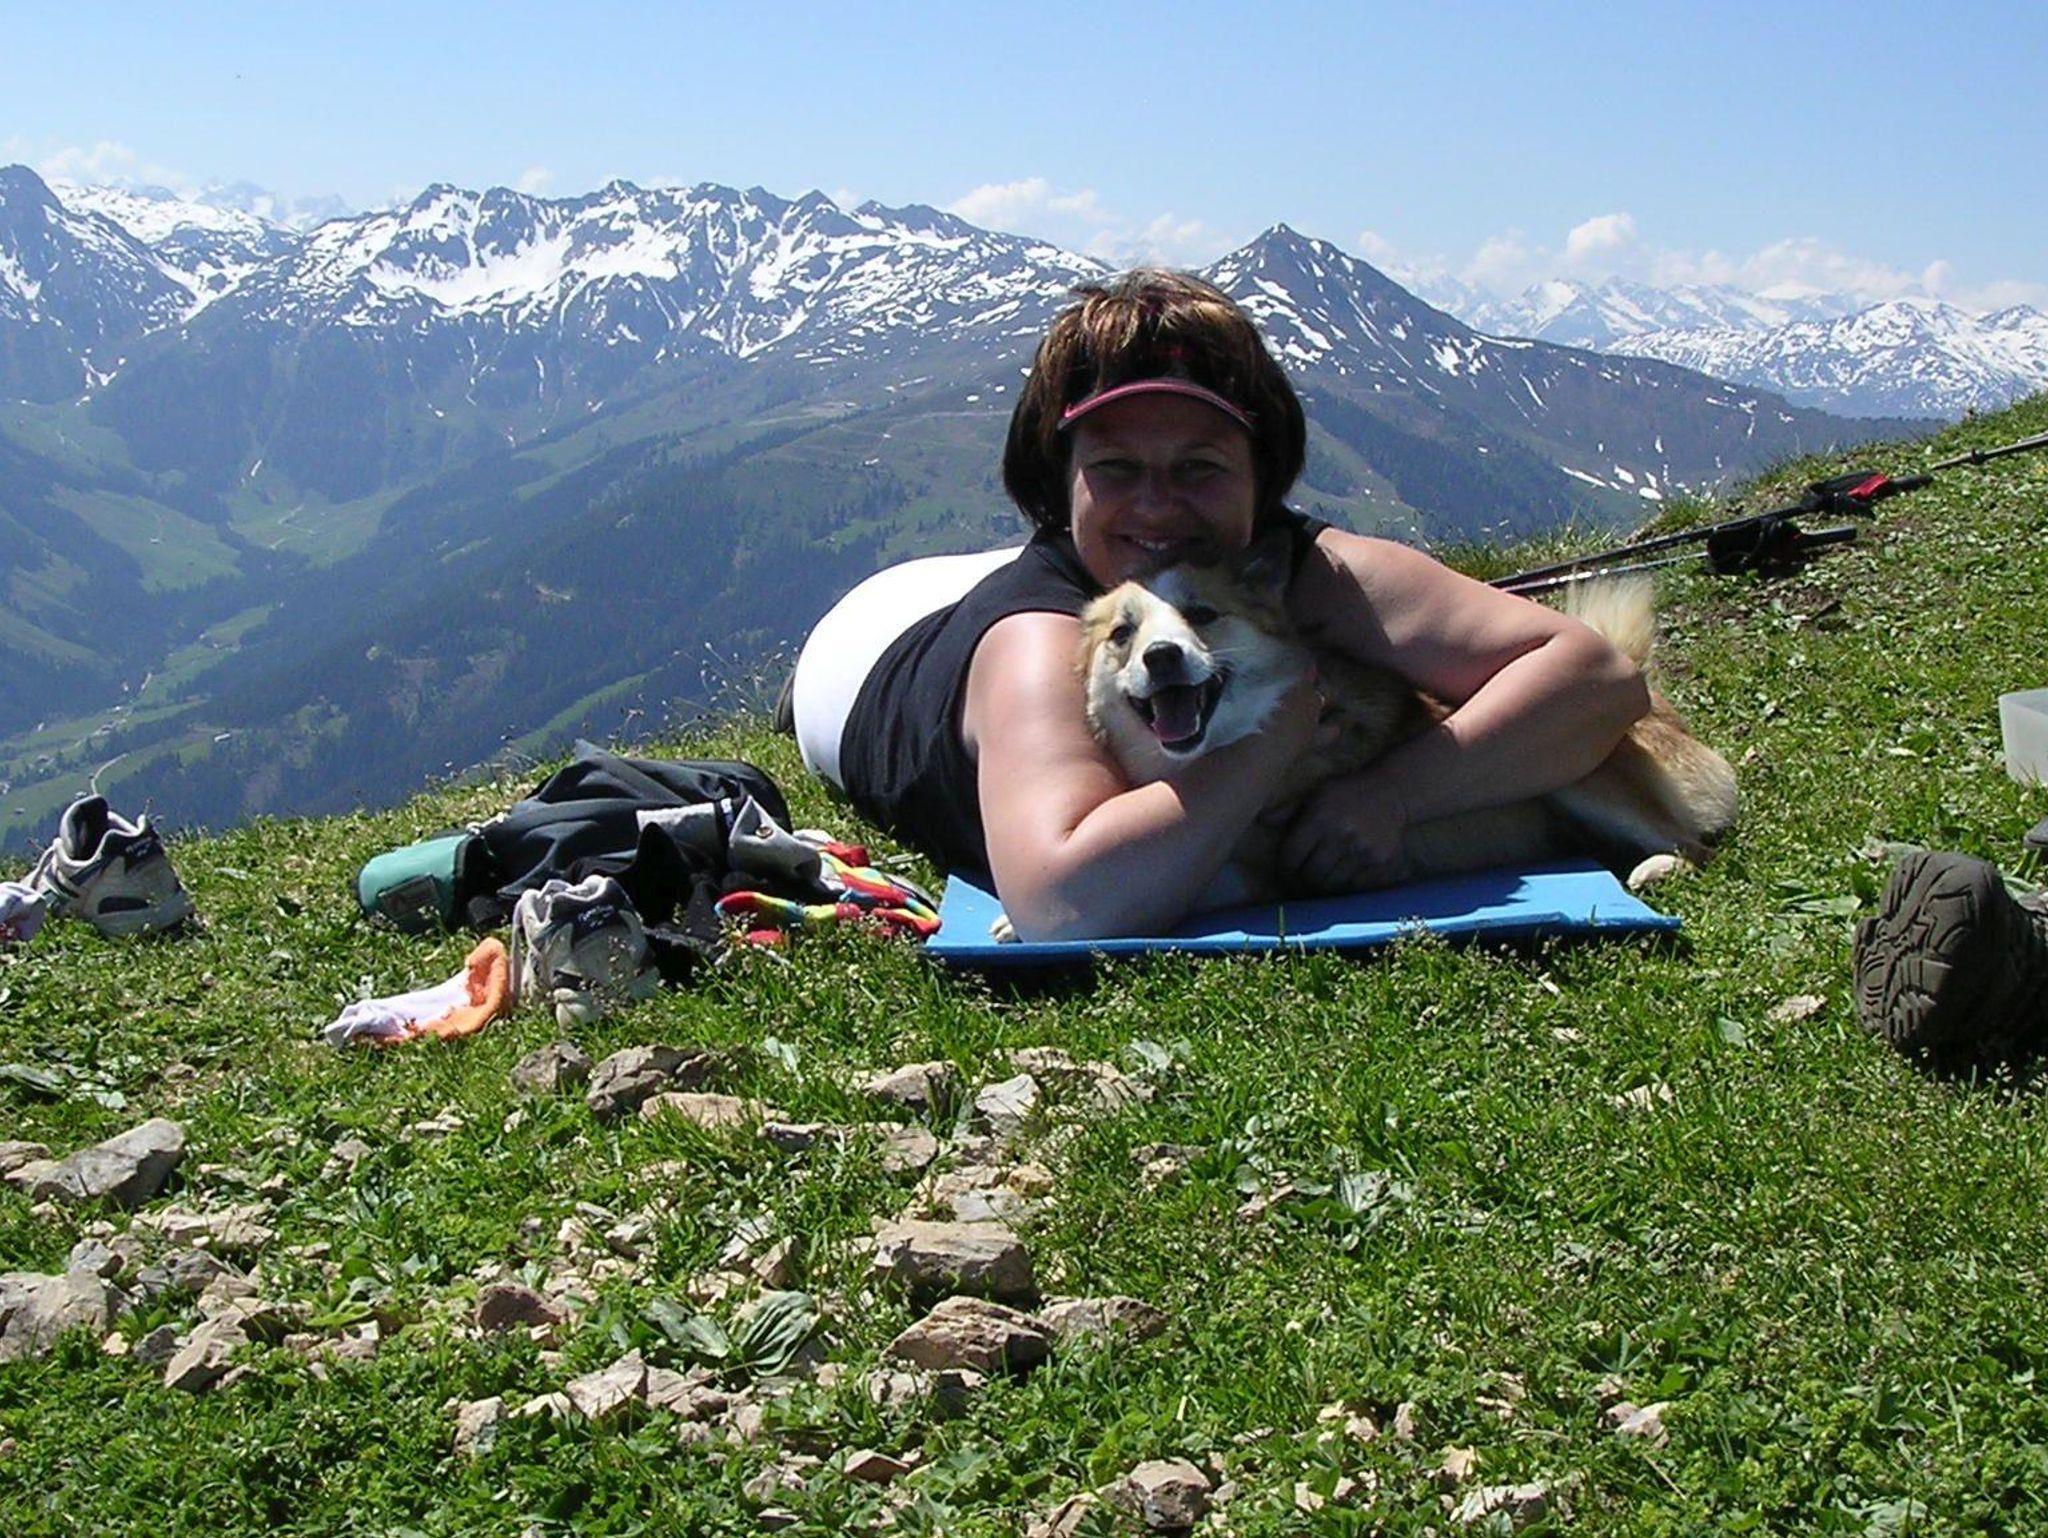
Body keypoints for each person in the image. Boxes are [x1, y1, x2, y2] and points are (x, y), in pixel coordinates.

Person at [791, 270, 1649, 941]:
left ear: (1258, 476)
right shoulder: (1034, 640)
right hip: (862, 654)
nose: (1158, 506)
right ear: (1061, 481)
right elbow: (1065, 903)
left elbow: (1597, 677)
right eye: (1116, 470)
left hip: (1113, 591)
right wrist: (1279, 735)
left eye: (1199, 467)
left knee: (1162, 595)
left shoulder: (1289, 562)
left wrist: (1392, 795)